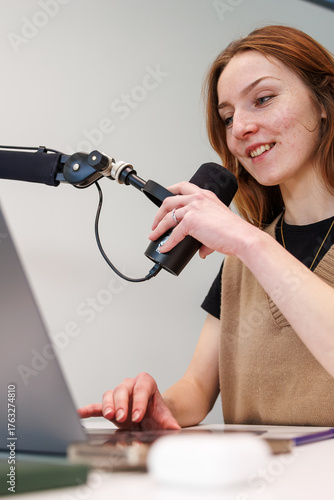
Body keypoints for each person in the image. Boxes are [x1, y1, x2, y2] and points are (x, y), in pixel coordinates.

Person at [79, 25, 334, 429]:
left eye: (263, 99)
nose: (240, 128)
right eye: (228, 116)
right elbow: (197, 389)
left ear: (324, 102)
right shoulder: (239, 263)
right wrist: (159, 403)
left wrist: (247, 241)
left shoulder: (246, 248)